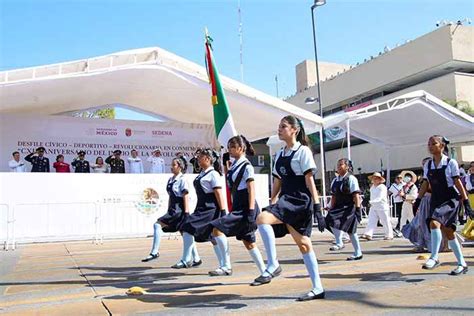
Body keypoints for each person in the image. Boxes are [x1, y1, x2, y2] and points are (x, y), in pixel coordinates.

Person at [251, 115, 326, 302]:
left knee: (304, 244)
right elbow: (278, 180)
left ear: (294, 130)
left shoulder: (303, 152)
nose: (279, 129)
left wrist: (318, 207)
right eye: (279, 126)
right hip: (286, 200)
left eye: (283, 126)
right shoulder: (279, 154)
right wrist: (273, 201)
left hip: (300, 201)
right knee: (262, 218)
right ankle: (276, 265)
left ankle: (316, 287)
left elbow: (309, 180)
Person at [208, 135, 266, 277]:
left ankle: (226, 266)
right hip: (239, 205)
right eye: (229, 148)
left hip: (246, 205)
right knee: (248, 241)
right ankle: (265, 272)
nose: (230, 150)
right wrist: (227, 171)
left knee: (216, 229)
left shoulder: (247, 166)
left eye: (232, 147)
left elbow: (251, 188)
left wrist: (251, 211)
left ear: (240, 148)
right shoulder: (235, 165)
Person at [414, 135, 473, 275]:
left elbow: (458, 184)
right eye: (429, 144)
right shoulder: (428, 164)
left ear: (442, 146)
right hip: (436, 198)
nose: (430, 146)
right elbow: (425, 183)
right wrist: (418, 200)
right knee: (449, 232)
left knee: (434, 223)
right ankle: (462, 264)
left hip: (450, 199)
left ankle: (434, 257)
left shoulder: (450, 163)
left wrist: (466, 202)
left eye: (434, 143)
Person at [142, 156, 202, 268]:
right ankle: (197, 258)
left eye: (174, 165)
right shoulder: (171, 179)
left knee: (157, 225)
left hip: (179, 210)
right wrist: (168, 209)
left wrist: (186, 213)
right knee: (185, 233)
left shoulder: (182, 180)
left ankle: (154, 252)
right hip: (173, 209)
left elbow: (185, 196)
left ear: (180, 167)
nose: (171, 167)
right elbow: (170, 196)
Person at [178, 148, 228, 272]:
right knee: (212, 237)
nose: (197, 159)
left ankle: (186, 259)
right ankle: (224, 265)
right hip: (201, 207)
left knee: (187, 226)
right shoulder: (202, 173)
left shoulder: (213, 174)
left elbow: (218, 193)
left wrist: (222, 211)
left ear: (208, 159)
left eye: (200, 157)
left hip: (210, 208)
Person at [325, 158, 363, 261]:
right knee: (328, 220)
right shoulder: (335, 180)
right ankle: (339, 242)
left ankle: (357, 252)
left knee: (351, 231)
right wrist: (329, 206)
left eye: (341, 164)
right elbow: (333, 196)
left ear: (347, 167)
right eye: (338, 164)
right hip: (338, 207)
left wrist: (358, 209)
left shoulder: (351, 179)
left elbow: (356, 195)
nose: (338, 166)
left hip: (349, 207)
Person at [361, 172, 393, 240]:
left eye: (376, 178)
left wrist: (371, 202)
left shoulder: (382, 187)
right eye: (373, 178)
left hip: (382, 207)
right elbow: (372, 197)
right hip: (374, 207)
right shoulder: (372, 187)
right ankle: (368, 234)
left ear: (379, 180)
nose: (374, 180)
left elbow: (380, 197)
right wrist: (371, 202)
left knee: (385, 221)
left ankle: (389, 235)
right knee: (371, 220)